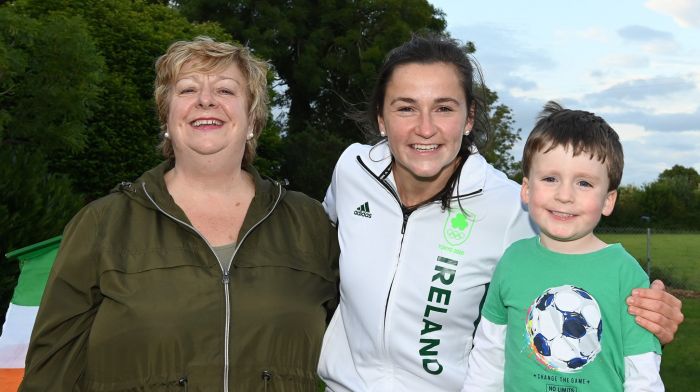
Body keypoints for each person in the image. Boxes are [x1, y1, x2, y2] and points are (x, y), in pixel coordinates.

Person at [317, 34, 683, 391]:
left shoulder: (512, 205)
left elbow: (585, 269)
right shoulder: (352, 170)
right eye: (406, 107)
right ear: (381, 117)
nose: (425, 128)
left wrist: (646, 313)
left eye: (444, 108)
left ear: (469, 117)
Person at [20, 37, 339, 391]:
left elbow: (369, 348)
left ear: (252, 119)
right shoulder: (102, 224)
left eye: (226, 90)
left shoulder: (309, 223)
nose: (206, 100)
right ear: (167, 119)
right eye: (187, 89)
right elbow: (51, 373)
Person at [463, 102, 663, 391]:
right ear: (527, 190)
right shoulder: (512, 262)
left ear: (608, 200)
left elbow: (643, 373)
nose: (565, 195)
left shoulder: (625, 273)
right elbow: (488, 357)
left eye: (583, 183)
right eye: (550, 179)